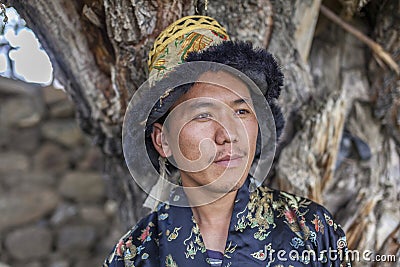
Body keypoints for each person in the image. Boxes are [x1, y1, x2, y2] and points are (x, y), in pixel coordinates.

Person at [104, 15, 351, 267]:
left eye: (241, 112)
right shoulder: (135, 254)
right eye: (203, 115)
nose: (228, 135)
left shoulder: (312, 230)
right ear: (163, 141)